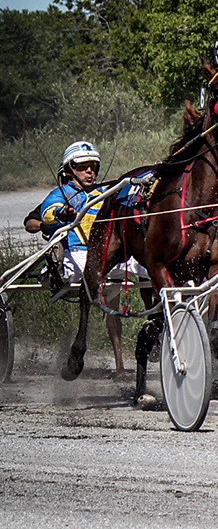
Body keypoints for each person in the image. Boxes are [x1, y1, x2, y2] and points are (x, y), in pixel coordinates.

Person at [24, 141, 125, 370]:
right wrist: (60, 214)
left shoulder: (105, 193)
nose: (89, 171)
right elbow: (47, 214)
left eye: (93, 166)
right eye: (83, 167)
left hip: (106, 256)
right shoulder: (61, 194)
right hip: (75, 255)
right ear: (69, 170)